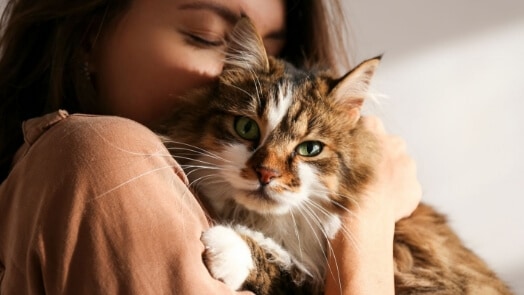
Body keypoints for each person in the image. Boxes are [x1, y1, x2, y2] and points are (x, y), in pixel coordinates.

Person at [0, 0, 421, 294]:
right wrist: (370, 217)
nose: (242, 71)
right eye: (207, 36)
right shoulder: (106, 155)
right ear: (88, 34)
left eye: (272, 49)